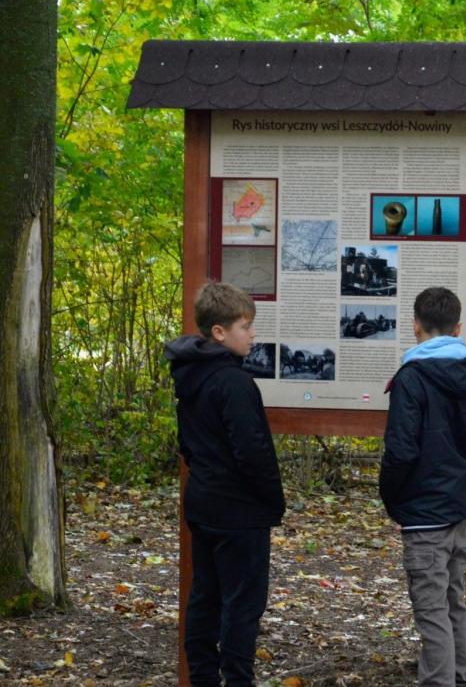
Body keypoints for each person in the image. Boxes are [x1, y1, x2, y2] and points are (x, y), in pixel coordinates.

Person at [164, 282, 285, 687]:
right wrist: (273, 500)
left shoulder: (191, 377)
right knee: (242, 604)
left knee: (207, 594)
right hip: (239, 512)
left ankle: (202, 677)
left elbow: (188, 445)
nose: (252, 334)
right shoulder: (234, 383)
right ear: (219, 332)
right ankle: (237, 679)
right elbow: (252, 452)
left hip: (204, 503)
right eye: (245, 327)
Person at [380, 287, 466, 687]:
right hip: (457, 512)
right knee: (452, 603)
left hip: (424, 517)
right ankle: (461, 679)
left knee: (431, 613)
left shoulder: (411, 378)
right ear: (458, 328)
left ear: (415, 326)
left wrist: (391, 498)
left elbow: (401, 451)